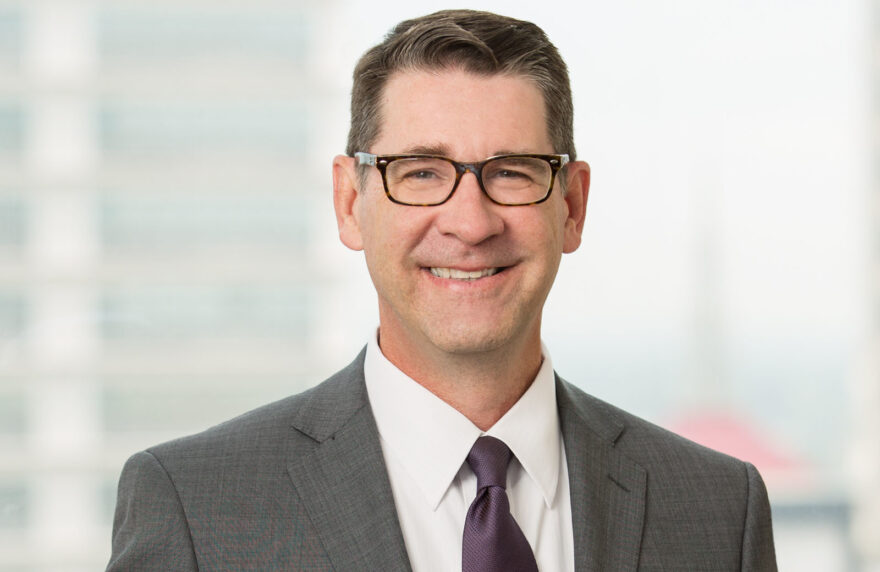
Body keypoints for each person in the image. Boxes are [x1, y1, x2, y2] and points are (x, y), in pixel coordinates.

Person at [106, 9, 777, 571]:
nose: (471, 223)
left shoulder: (719, 510)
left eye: (512, 172)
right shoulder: (196, 508)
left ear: (571, 206)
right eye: (422, 172)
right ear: (349, 203)